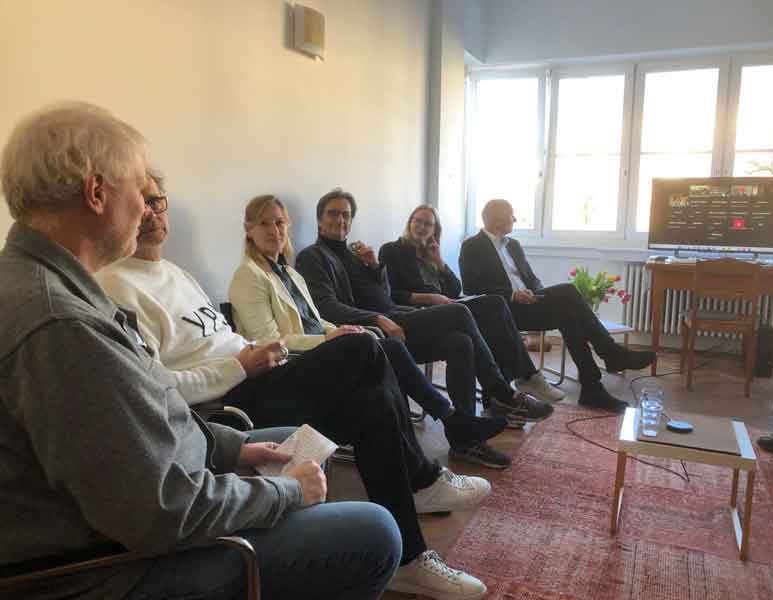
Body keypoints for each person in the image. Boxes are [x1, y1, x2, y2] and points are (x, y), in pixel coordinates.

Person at [0, 102, 401, 600]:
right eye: (141, 191)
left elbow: (146, 414)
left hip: (146, 501)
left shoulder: (53, 285)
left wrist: (228, 447)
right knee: (375, 533)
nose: (148, 207)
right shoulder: (60, 324)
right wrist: (287, 492)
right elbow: (161, 511)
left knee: (297, 436)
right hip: (109, 568)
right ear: (97, 193)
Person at [96, 173, 491, 600]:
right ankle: (424, 477)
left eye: (157, 201)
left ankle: (409, 560)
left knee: (373, 401)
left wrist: (255, 353)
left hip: (261, 372)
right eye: (141, 202)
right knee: (365, 347)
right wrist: (240, 366)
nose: (151, 213)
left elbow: (230, 338)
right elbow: (157, 390)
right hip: (229, 405)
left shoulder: (177, 274)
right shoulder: (115, 286)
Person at [228, 194, 508, 468]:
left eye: (279, 223)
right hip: (294, 366)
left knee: (458, 341)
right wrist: (339, 334)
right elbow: (270, 342)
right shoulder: (253, 274)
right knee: (441, 322)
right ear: (249, 229)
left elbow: (321, 317)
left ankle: (458, 434)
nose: (274, 230)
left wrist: (369, 281)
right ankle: (486, 402)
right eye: (264, 223)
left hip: (343, 338)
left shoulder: (291, 273)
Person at [295, 189, 554, 457]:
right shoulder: (312, 257)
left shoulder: (354, 255)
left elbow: (384, 296)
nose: (340, 220)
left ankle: (464, 440)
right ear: (319, 219)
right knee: (461, 312)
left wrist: (374, 268)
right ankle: (502, 393)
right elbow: (326, 307)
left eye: (346, 215)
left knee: (461, 342)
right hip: (377, 330)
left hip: (398, 317)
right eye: (333, 214)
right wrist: (378, 318)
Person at [459, 199, 656, 413]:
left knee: (569, 314)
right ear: (497, 220)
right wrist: (512, 294)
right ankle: (610, 356)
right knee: (568, 293)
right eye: (511, 215)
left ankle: (593, 387)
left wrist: (537, 293)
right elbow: (471, 287)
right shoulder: (472, 247)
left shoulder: (513, 245)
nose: (514, 219)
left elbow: (531, 278)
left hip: (530, 303)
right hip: (503, 311)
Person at [379, 204, 565, 404]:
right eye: (418, 221)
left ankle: (501, 393)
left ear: (434, 230)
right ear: (410, 223)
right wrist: (430, 298)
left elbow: (455, 290)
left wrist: (439, 262)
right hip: (420, 312)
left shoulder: (431, 254)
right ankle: (522, 379)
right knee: (493, 308)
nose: (422, 227)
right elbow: (390, 294)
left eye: (428, 224)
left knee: (495, 306)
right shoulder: (391, 250)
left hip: (449, 306)